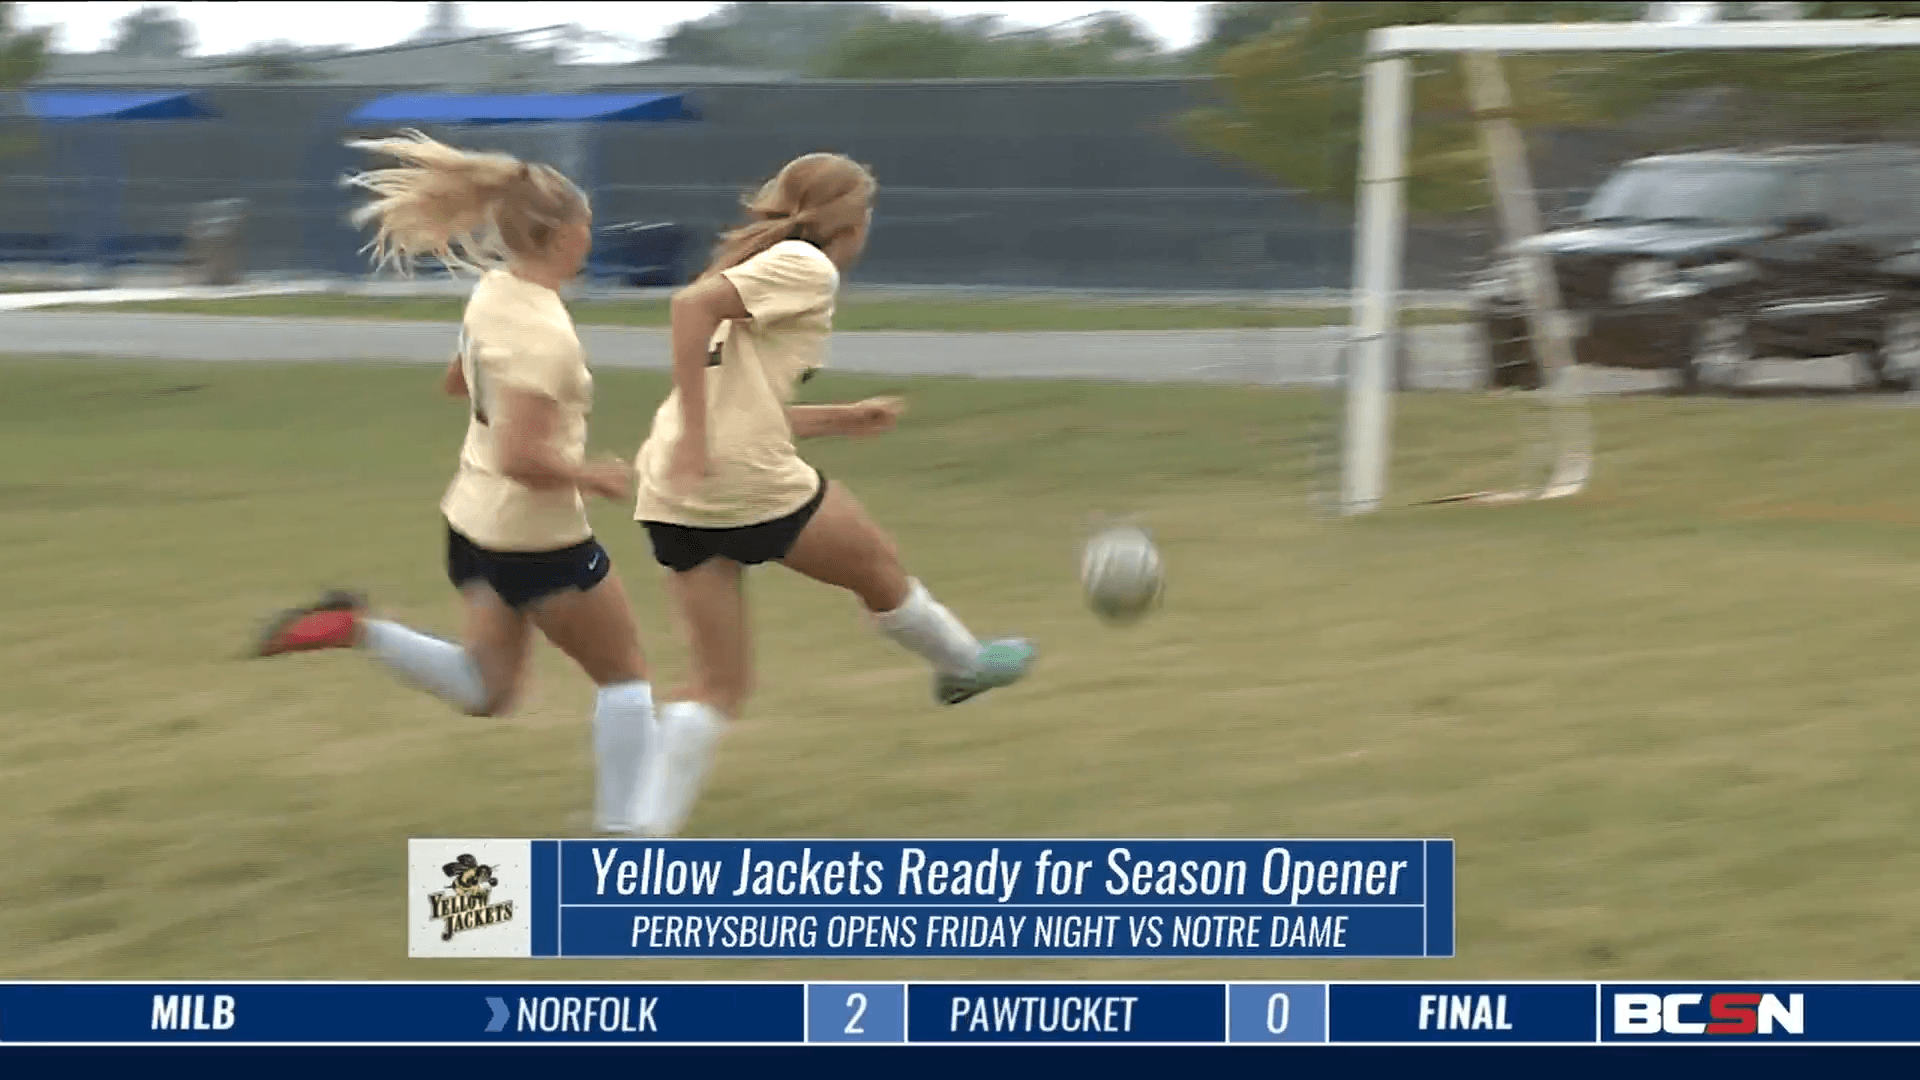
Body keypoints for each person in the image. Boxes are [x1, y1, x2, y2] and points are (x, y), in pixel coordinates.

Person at [249, 131, 660, 835]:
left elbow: (455, 382)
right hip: (537, 538)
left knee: (488, 690)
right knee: (626, 681)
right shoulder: (544, 333)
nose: (591, 238)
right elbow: (521, 458)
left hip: (472, 525)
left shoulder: (493, 293)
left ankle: (357, 628)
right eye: (586, 226)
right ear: (563, 234)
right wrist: (595, 475)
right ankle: (624, 842)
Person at [629, 152, 1036, 838]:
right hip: (737, 476)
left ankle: (641, 834)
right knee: (879, 567)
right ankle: (962, 664)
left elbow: (743, 401)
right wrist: (702, 436)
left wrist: (838, 418)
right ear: (852, 221)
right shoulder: (806, 266)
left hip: (671, 487)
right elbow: (687, 307)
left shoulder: (762, 271)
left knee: (717, 685)